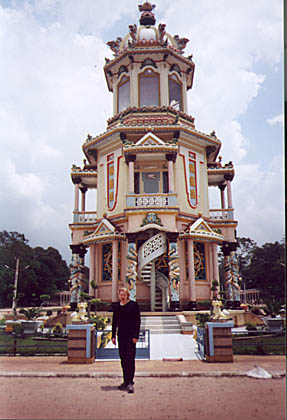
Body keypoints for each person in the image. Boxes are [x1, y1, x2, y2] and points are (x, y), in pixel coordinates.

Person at [112, 287, 141, 393]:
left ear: (128, 295)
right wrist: (113, 335)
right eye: (121, 294)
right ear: (119, 295)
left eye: (124, 294)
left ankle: (130, 382)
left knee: (130, 358)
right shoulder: (117, 307)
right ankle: (125, 380)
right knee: (123, 358)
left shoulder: (134, 305)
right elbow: (114, 322)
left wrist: (136, 336)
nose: (122, 296)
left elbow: (137, 321)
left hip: (130, 336)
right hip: (121, 336)